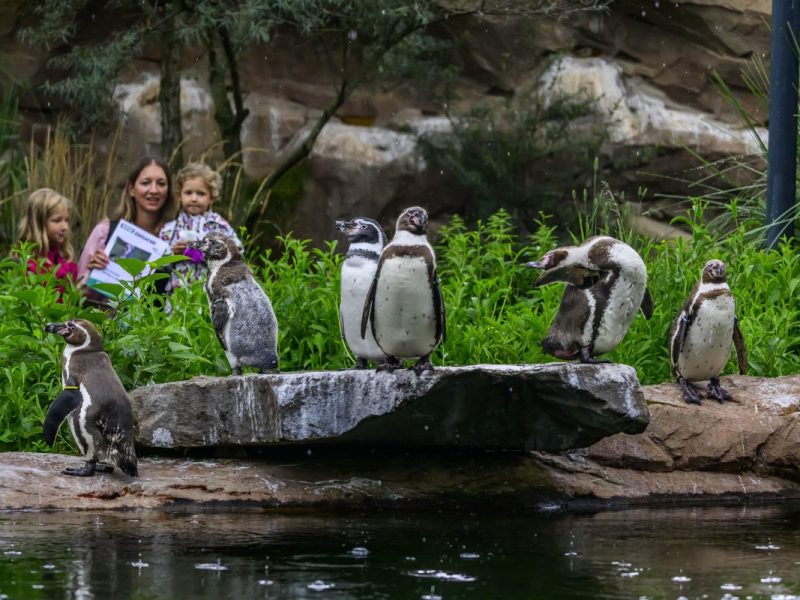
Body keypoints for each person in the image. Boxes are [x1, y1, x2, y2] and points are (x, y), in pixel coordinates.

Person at [77, 155, 178, 283]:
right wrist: (92, 273)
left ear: (168, 191)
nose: (154, 190)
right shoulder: (105, 232)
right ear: (131, 189)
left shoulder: (176, 237)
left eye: (161, 184)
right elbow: (76, 293)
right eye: (146, 183)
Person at [159, 162, 243, 291]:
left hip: (209, 295)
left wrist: (206, 252)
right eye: (188, 193)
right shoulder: (170, 229)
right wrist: (173, 253)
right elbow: (158, 263)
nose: (194, 198)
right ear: (179, 195)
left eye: (200, 194)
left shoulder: (219, 225)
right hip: (177, 297)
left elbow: (238, 252)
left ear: (211, 197)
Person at [17, 188, 79, 294]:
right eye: (57, 220)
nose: (65, 227)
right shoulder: (28, 263)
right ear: (38, 223)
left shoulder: (62, 257)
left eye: (66, 220)